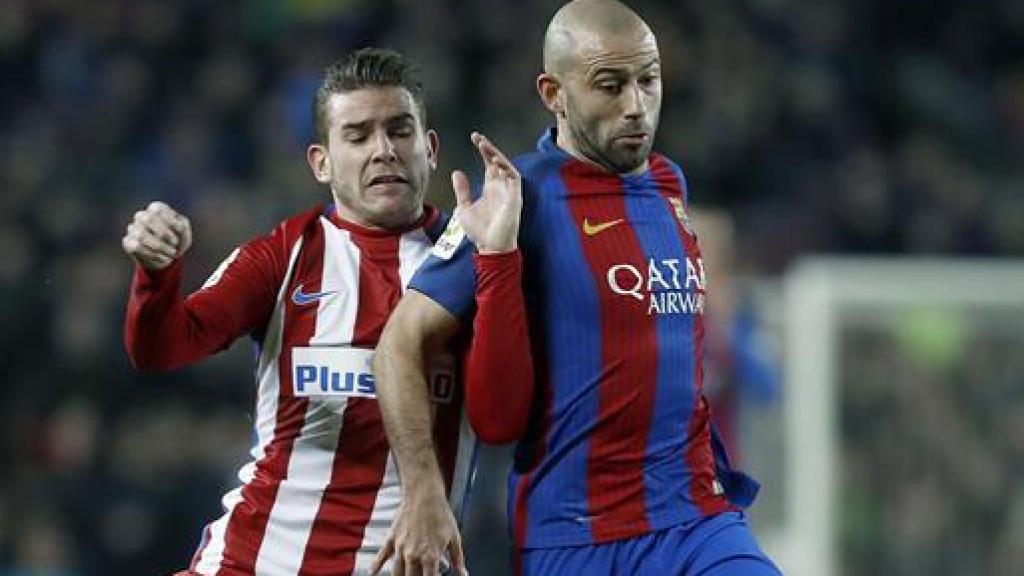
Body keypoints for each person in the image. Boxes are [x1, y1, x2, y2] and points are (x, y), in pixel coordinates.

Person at [371, 1, 782, 575]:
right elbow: (399, 342)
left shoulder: (669, 183)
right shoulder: (515, 196)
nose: (635, 106)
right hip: (574, 538)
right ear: (553, 93)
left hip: (697, 523)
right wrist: (422, 492)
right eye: (609, 86)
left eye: (648, 81)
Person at [121, 48, 485, 576]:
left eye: (399, 131)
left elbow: (507, 410)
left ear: (430, 148)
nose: (383, 150)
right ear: (321, 162)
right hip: (254, 560)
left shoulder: (473, 259)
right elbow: (160, 349)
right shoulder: (284, 255)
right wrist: (156, 277)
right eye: (358, 136)